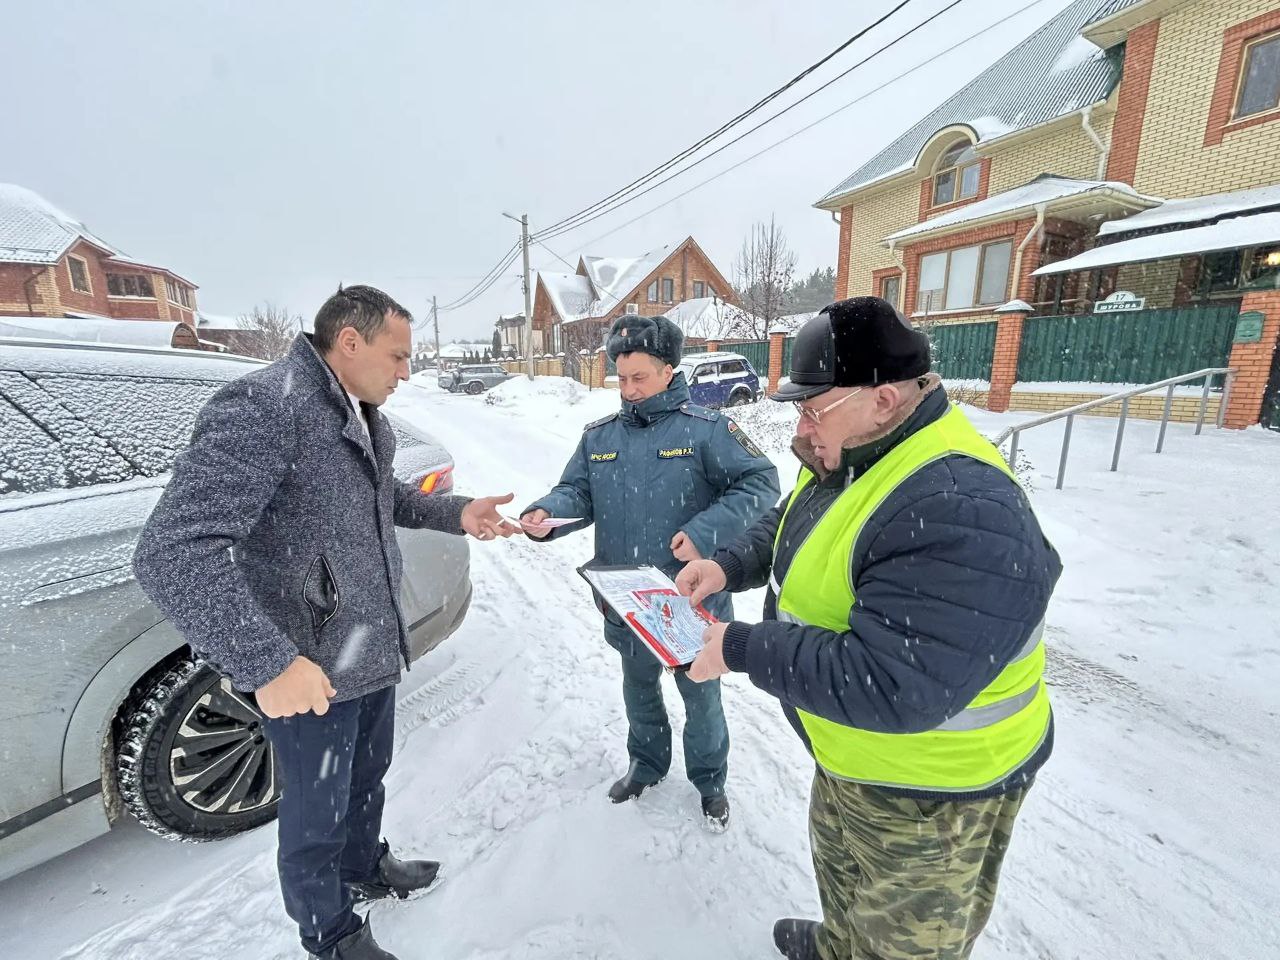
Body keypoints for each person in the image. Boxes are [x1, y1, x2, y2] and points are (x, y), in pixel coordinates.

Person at [133, 285, 517, 960]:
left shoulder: (363, 410)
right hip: (310, 666)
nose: (405, 372)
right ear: (349, 342)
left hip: (369, 645)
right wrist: (268, 663)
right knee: (314, 819)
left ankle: (362, 866)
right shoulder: (266, 407)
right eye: (397, 356)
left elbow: (379, 496)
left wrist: (456, 512)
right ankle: (330, 934)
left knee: (367, 777)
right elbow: (170, 552)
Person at [676, 297, 1061, 960]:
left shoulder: (957, 505)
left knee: (902, 944)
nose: (800, 426)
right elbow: (798, 518)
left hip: (932, 796)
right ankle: (839, 944)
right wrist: (727, 565)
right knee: (847, 876)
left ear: (882, 398)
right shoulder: (861, 450)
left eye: (810, 407)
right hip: (859, 756)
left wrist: (737, 648)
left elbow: (892, 681)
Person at [521, 313, 779, 829]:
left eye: (640, 377)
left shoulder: (707, 430)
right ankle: (646, 764)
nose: (629, 389)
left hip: (690, 600)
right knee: (637, 686)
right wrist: (548, 513)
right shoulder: (600, 437)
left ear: (668, 370)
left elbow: (760, 483)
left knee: (701, 695)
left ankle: (710, 783)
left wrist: (705, 532)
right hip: (625, 598)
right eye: (622, 377)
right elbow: (578, 492)